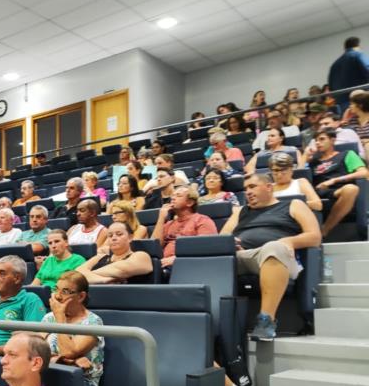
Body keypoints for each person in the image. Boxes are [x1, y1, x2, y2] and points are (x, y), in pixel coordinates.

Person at [220, 172, 321, 340]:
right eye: (245, 189)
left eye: (252, 186)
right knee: (209, 257)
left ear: (269, 187)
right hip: (240, 255)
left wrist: (289, 241)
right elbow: (221, 237)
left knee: (273, 247)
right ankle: (213, 322)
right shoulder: (240, 212)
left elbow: (315, 237)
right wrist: (230, 242)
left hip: (276, 255)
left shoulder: (293, 205)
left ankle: (266, 320)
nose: (248, 192)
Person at [41, 272, 104, 386]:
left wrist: (60, 318)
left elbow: (68, 352)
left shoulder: (93, 322)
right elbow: (38, 351)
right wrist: (69, 361)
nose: (57, 296)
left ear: (81, 296)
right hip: (49, 374)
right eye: (55, 289)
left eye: (65, 291)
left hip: (81, 383)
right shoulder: (49, 317)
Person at [306, 127, 369, 236]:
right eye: (316, 140)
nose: (317, 143)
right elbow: (300, 177)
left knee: (351, 189)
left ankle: (325, 229)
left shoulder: (346, 154)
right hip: (318, 193)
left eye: (322, 139)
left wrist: (334, 180)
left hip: (339, 189)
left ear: (332, 140)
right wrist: (305, 156)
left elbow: (364, 173)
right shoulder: (313, 162)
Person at [152, 186, 218, 269]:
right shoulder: (169, 224)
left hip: (188, 264)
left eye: (178, 196)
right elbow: (154, 246)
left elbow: (205, 246)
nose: (173, 198)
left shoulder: (202, 220)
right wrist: (161, 218)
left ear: (190, 202)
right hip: (163, 263)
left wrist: (178, 258)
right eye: (172, 195)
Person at [76, 222, 154, 284]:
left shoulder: (141, 255)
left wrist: (87, 276)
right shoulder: (100, 257)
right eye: (110, 235)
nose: (113, 238)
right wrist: (103, 280)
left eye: (119, 234)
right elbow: (77, 272)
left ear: (130, 237)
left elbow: (121, 270)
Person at [328, 36, 369, 112]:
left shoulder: (334, 64)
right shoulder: (357, 55)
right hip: (360, 102)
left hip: (342, 105)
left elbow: (331, 88)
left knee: (349, 123)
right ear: (358, 46)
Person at [342, 90, 369, 154]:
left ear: (360, 105)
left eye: (352, 104)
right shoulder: (352, 121)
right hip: (358, 150)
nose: (349, 106)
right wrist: (345, 119)